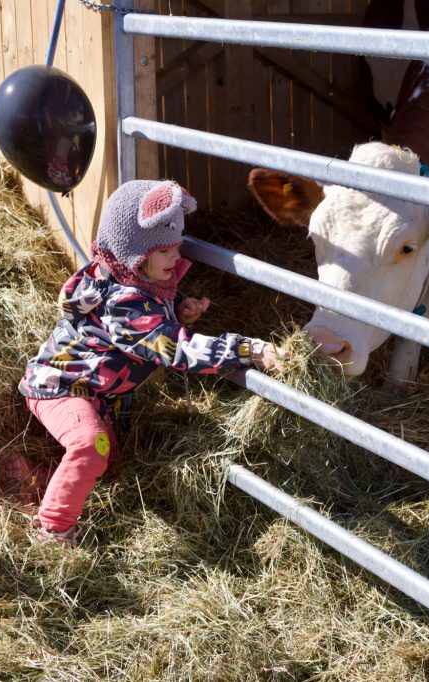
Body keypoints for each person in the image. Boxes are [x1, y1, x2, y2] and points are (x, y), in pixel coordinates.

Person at [15, 179, 283, 546]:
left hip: (95, 393)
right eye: (165, 250)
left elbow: (151, 316)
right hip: (59, 388)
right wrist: (245, 350)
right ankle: (53, 531)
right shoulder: (126, 305)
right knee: (91, 446)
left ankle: (36, 475)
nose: (177, 256)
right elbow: (175, 349)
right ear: (135, 254)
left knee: (107, 462)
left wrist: (177, 309)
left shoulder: (130, 279)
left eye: (177, 246)